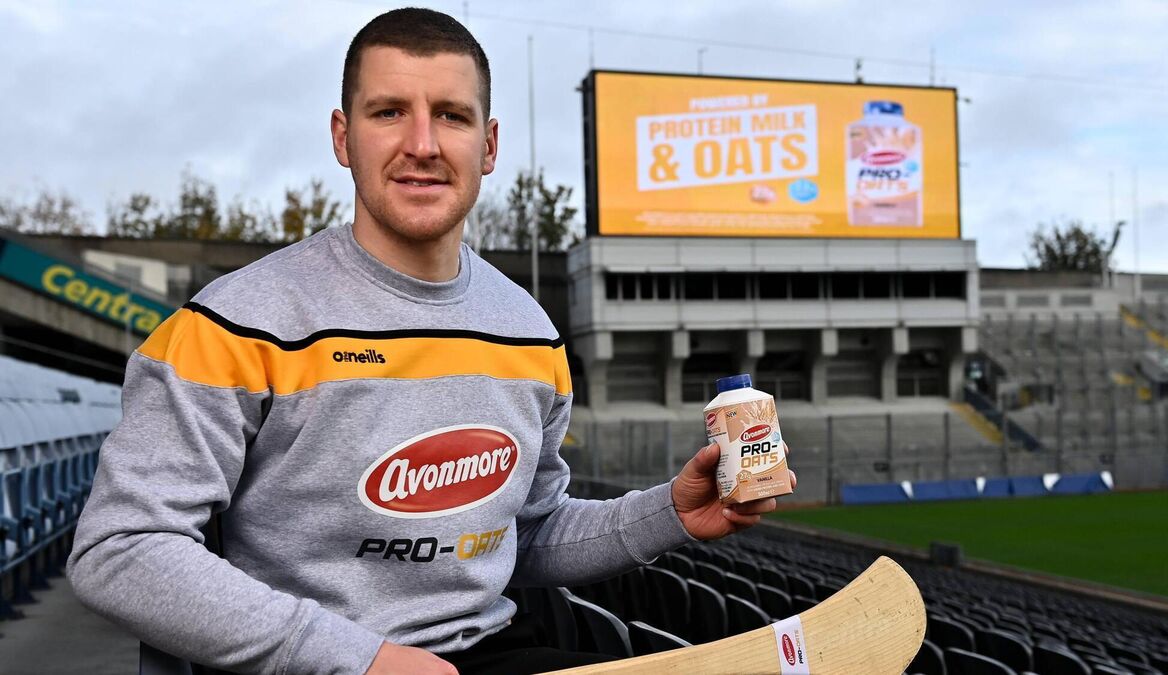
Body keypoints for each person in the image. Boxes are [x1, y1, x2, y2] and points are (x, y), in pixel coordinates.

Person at [67, 8, 792, 674]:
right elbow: (119, 549)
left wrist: (671, 513)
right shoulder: (232, 324)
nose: (422, 144)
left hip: (487, 653)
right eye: (389, 112)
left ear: (489, 144)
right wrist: (359, 659)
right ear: (343, 137)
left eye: (451, 115)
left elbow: (523, 536)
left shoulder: (530, 334)